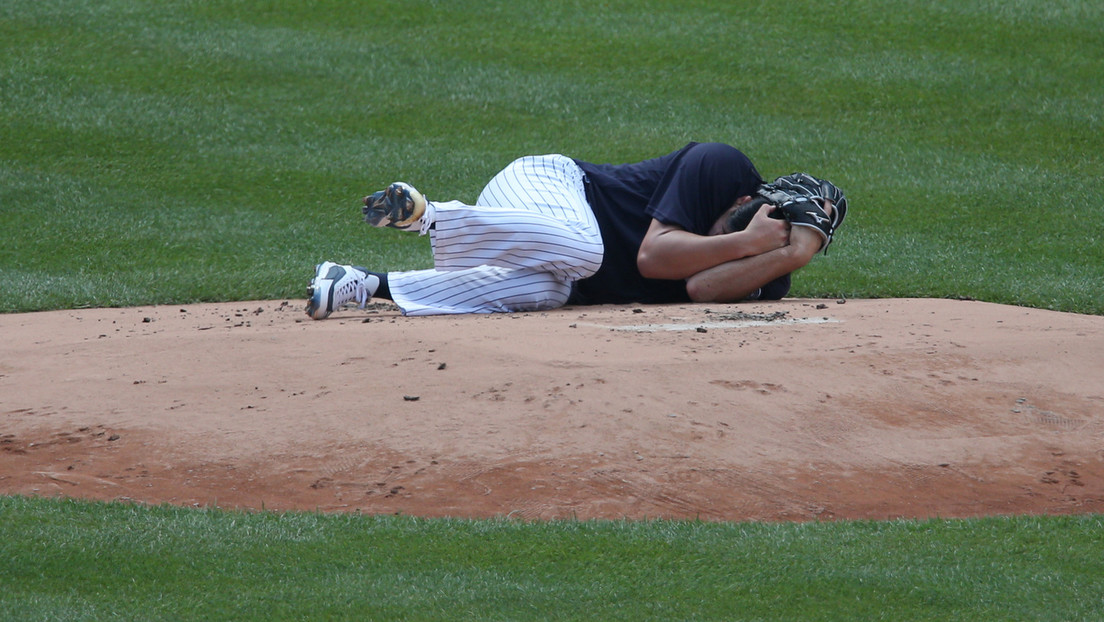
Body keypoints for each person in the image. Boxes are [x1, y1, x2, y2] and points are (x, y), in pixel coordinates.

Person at [306, 142, 845, 319]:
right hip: (545, 189)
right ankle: (431, 218)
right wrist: (750, 241)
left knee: (550, 291)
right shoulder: (719, 165)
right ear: (752, 201)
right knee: (588, 251)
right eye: (741, 221)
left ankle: (361, 282)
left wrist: (786, 257)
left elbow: (698, 289)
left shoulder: (769, 261)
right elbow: (655, 260)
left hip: (553, 262)